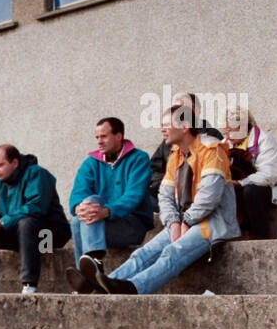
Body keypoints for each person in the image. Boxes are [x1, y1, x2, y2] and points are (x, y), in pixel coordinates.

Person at [90, 104, 239, 295]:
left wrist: (186, 220)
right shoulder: (176, 154)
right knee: (142, 253)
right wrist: (174, 222)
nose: (162, 129)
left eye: (167, 124)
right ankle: (105, 286)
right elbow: (165, 194)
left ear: (184, 126)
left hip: (212, 222)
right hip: (184, 221)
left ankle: (134, 288)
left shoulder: (212, 150)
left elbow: (209, 196)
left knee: (173, 252)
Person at [64, 117, 154, 293]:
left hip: (132, 224)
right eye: (97, 137)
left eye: (104, 136)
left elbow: (133, 196)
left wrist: (105, 212)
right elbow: (77, 193)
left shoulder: (139, 159)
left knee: (88, 211)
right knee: (78, 218)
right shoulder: (91, 162)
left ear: (119, 136)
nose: (99, 141)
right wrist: (79, 208)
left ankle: (89, 272)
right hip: (101, 226)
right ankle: (92, 266)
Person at [0, 145, 70, 295]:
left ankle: (29, 285)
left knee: (27, 223)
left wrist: (2, 222)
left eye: (0, 165)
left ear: (15, 163)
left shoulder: (37, 174)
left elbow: (36, 206)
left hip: (49, 237)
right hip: (21, 236)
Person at [221, 106, 277, 239]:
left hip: (272, 188)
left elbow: (269, 176)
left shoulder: (265, 141)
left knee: (251, 192)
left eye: (230, 131)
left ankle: (261, 237)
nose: (227, 136)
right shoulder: (227, 143)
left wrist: (240, 183)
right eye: (225, 131)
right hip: (242, 185)